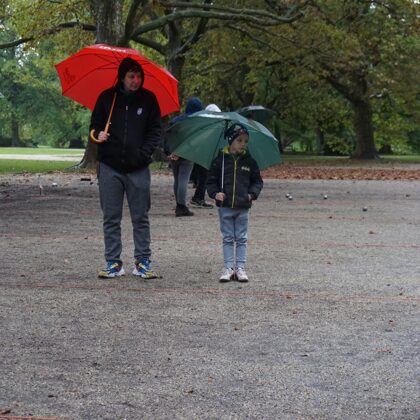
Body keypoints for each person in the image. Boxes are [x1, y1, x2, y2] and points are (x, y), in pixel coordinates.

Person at [90, 57, 161, 279]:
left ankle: (142, 261)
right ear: (122, 77)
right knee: (111, 217)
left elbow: (155, 131)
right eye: (131, 76)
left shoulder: (149, 100)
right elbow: (94, 126)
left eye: (139, 76)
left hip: (138, 168)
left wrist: (143, 154)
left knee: (140, 217)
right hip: (110, 166)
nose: (135, 80)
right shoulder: (106, 98)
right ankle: (113, 262)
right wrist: (98, 134)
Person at [207, 123, 263, 283]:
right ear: (231, 140)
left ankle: (240, 268)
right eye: (239, 140)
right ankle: (228, 268)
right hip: (225, 207)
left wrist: (251, 194)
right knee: (227, 238)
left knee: (241, 238)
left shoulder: (250, 162)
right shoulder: (219, 161)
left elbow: (257, 181)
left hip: (242, 206)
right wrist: (215, 193)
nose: (243, 144)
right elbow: (210, 182)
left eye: (245, 141)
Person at [167, 96, 203, 217]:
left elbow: (167, 136)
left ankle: (179, 204)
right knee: (183, 180)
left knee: (177, 180)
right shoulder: (195, 123)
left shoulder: (176, 120)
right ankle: (181, 206)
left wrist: (170, 152)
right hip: (187, 154)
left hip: (173, 153)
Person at [189, 103, 221, 209]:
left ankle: (198, 197)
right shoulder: (206, 125)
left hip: (203, 154)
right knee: (204, 176)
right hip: (203, 154)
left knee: (204, 176)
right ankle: (198, 198)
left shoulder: (204, 124)